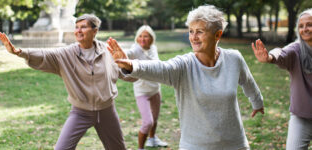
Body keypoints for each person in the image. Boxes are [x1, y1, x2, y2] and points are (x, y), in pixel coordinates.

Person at [107, 5, 264, 150]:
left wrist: (257, 102)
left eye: (200, 32)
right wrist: (131, 65)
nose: (193, 37)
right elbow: (160, 68)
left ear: (218, 35)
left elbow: (248, 82)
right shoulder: (184, 65)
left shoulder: (234, 59)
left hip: (234, 144)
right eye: (191, 31)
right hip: (195, 145)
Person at [0, 14, 135, 150]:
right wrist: (19, 52)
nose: (78, 31)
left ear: (95, 31)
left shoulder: (108, 51)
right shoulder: (67, 53)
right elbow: (44, 54)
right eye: (76, 27)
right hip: (80, 112)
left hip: (107, 111)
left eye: (83, 27)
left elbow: (130, 76)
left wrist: (128, 66)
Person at [251, 8, 312, 150]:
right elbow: (281, 53)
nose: (305, 29)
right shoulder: (295, 50)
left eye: (309, 24)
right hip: (301, 116)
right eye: (301, 26)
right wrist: (270, 57)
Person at [123, 25, 168, 149]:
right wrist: (120, 54)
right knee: (148, 122)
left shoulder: (153, 48)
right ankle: (140, 148)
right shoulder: (135, 49)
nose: (143, 39)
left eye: (146, 36)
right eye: (140, 36)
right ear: (137, 38)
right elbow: (128, 53)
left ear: (151, 38)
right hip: (142, 92)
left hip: (155, 89)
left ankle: (152, 139)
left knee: (155, 118)